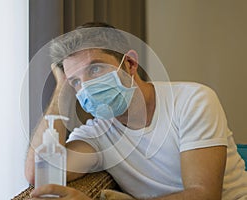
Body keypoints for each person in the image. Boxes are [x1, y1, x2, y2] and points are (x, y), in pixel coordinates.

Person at [25, 22, 247, 199]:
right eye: (76, 82)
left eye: (95, 68)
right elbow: (38, 173)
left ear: (130, 63)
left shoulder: (192, 101)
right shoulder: (97, 134)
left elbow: (204, 195)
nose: (87, 87)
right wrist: (61, 89)